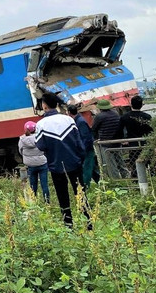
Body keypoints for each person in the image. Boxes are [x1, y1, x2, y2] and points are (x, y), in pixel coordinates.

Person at [35, 93, 91, 229]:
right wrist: (80, 159)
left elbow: (41, 146)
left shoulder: (40, 124)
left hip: (56, 165)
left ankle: (68, 224)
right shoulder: (69, 120)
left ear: (44, 105)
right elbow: (79, 144)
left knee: (62, 195)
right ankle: (89, 222)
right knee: (80, 192)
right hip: (74, 162)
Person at [67, 105, 100, 186]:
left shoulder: (80, 121)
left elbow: (85, 137)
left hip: (87, 149)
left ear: (69, 113)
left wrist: (82, 150)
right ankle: (99, 181)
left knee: (86, 167)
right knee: (91, 167)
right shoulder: (78, 120)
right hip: (85, 148)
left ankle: (85, 185)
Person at [119, 95, 153, 173]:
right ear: (141, 105)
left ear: (131, 104)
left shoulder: (125, 117)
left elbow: (120, 130)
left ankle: (135, 178)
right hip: (146, 142)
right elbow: (151, 130)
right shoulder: (147, 116)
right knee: (150, 162)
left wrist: (122, 140)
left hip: (133, 143)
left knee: (134, 162)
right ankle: (153, 177)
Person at [92, 99, 125, 178]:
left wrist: (96, 138)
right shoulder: (115, 114)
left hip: (106, 143)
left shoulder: (99, 116)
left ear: (100, 108)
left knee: (111, 164)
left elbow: (94, 129)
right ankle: (126, 176)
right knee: (120, 161)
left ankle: (117, 181)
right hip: (117, 141)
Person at [18, 121, 50, 203]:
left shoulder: (22, 140)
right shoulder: (40, 138)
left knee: (32, 185)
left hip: (31, 165)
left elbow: (20, 151)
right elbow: (45, 148)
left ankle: (33, 202)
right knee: (44, 185)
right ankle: (47, 202)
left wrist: (28, 157)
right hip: (42, 163)